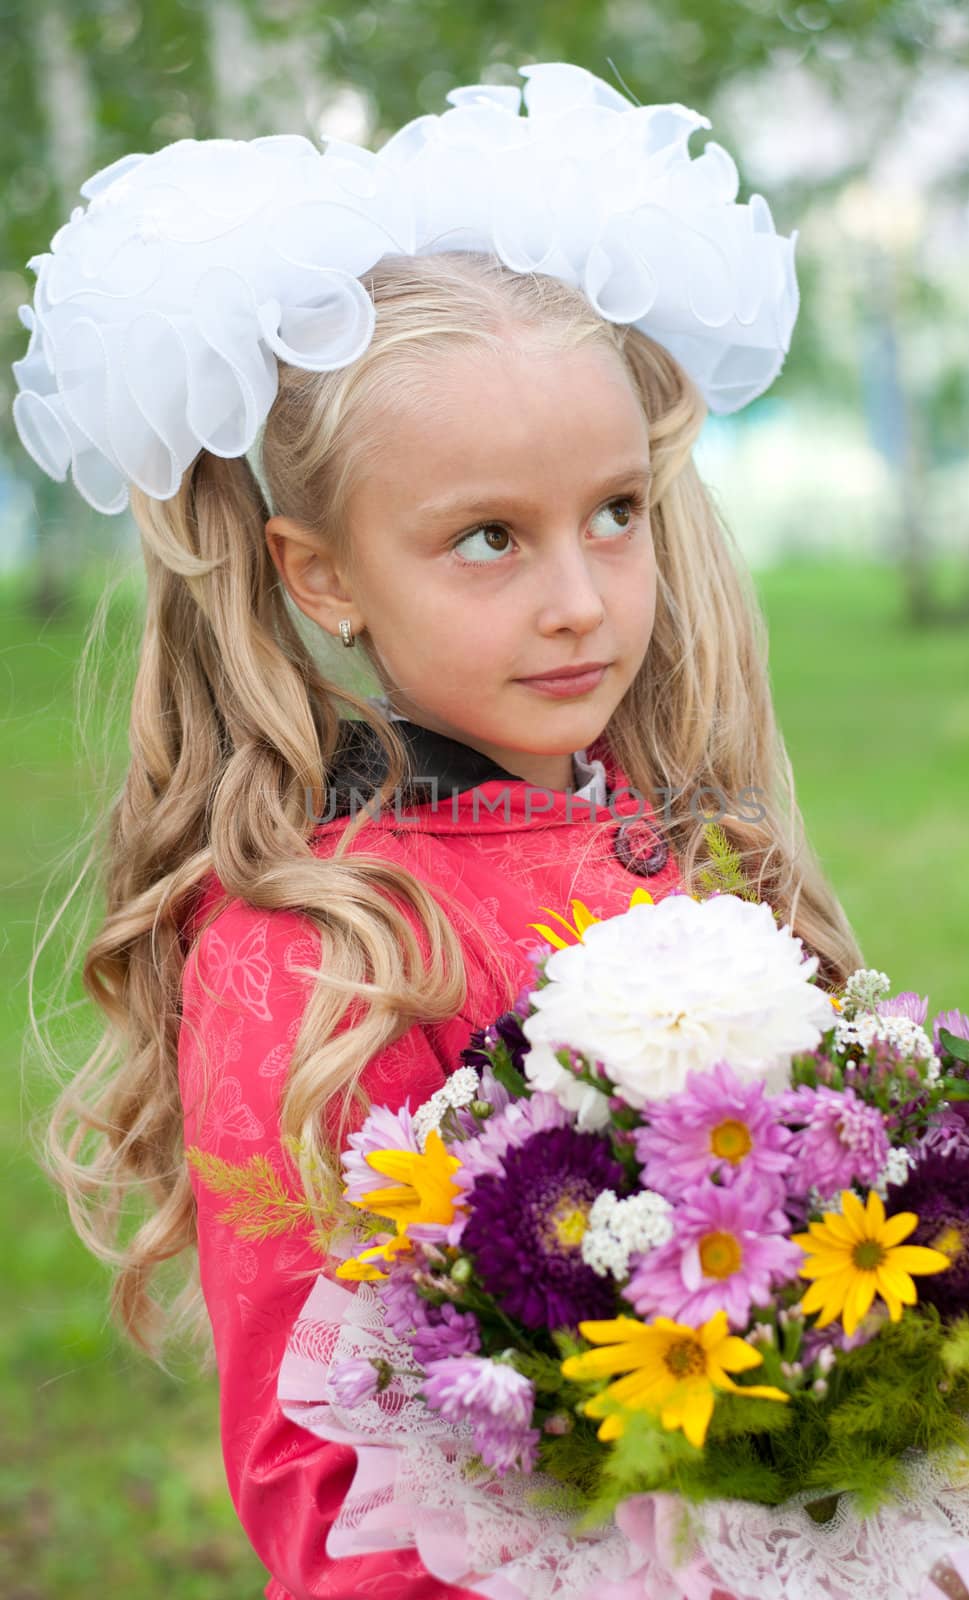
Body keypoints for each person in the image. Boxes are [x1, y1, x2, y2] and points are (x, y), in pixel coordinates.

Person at [20, 64, 865, 1599]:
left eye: (615, 511)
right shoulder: (318, 958)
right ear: (321, 573)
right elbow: (322, 1488)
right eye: (489, 536)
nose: (581, 597)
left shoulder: (657, 844)